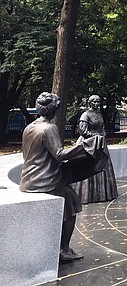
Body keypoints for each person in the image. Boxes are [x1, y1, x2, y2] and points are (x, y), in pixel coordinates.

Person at [19, 92, 87, 262]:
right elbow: (60, 154)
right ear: (54, 110)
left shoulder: (29, 127)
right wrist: (81, 146)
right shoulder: (49, 128)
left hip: (27, 179)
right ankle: (64, 249)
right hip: (45, 181)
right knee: (72, 204)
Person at [71, 95, 118, 203]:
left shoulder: (99, 114)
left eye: (98, 102)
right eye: (94, 102)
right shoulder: (85, 115)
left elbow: (102, 128)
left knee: (102, 165)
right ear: (90, 103)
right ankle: (85, 194)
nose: (96, 104)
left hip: (100, 143)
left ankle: (102, 193)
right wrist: (95, 136)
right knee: (88, 165)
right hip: (89, 143)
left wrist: (102, 135)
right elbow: (82, 131)